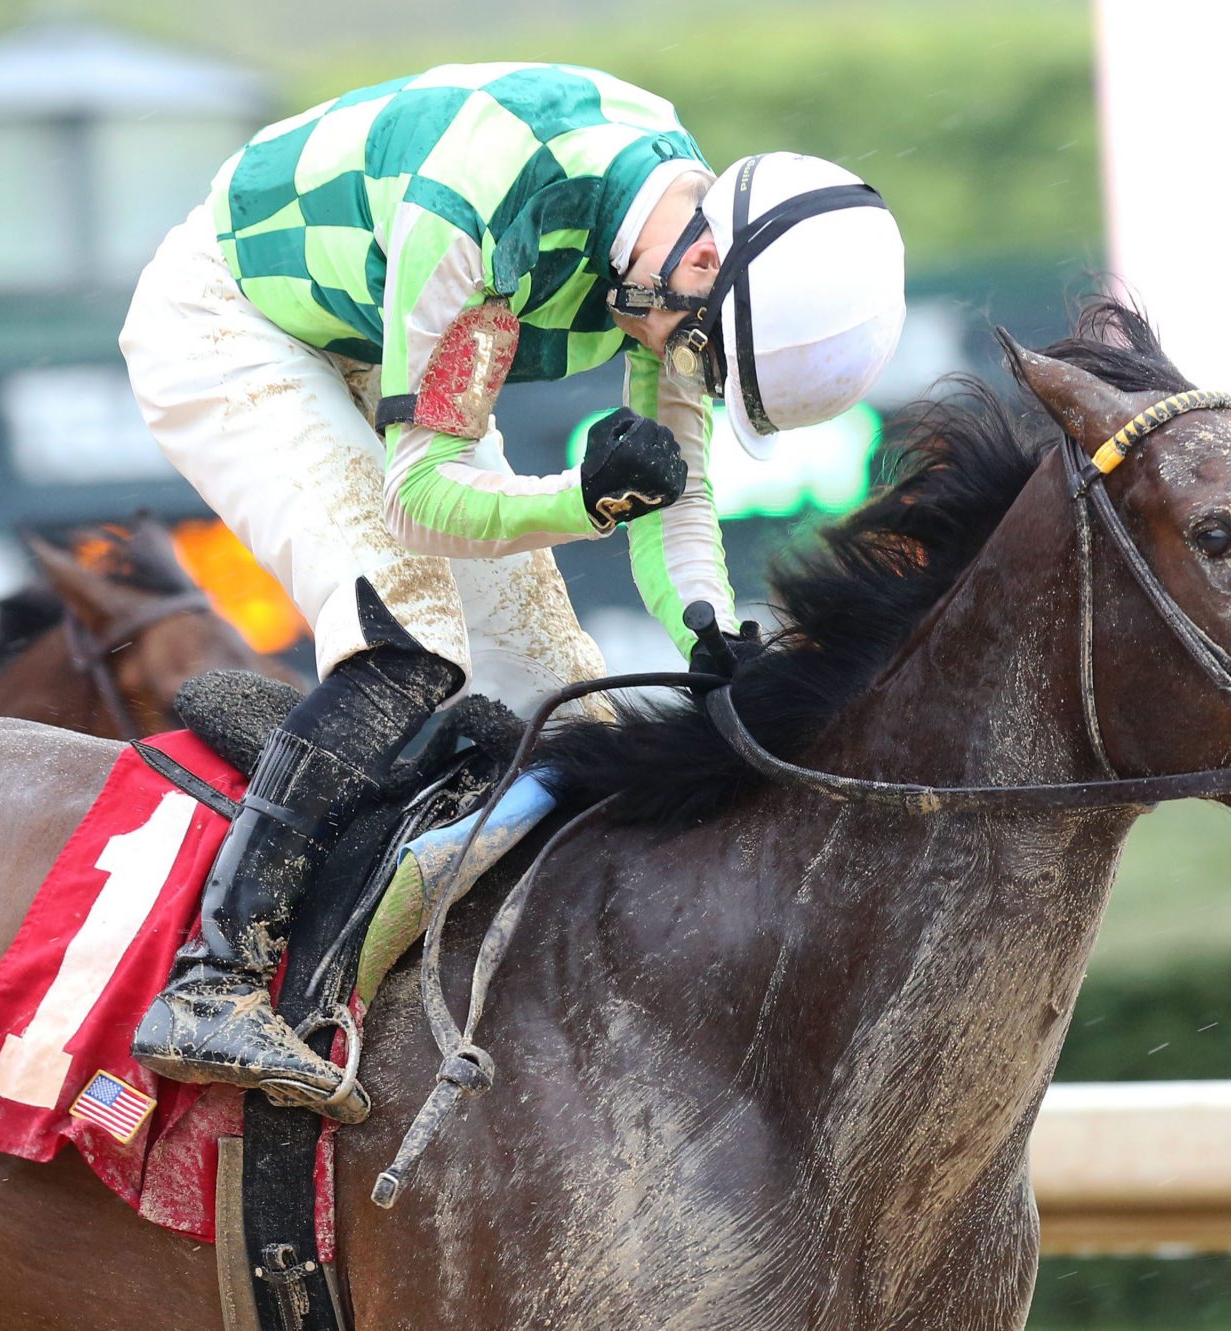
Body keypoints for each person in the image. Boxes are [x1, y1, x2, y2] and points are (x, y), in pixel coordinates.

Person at [119, 62, 906, 1120]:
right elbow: (420, 500)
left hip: (385, 328)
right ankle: (215, 979)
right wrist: (583, 500)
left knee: (566, 697)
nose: (681, 364)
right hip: (237, 322)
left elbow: (680, 486)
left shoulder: (685, 251)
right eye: (695, 346)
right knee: (409, 629)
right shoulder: (492, 206)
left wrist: (708, 627)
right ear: (706, 257)